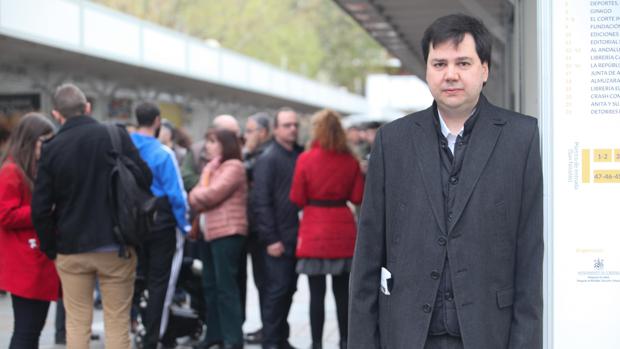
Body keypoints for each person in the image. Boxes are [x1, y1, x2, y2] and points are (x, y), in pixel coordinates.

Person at [348, 14, 543, 349]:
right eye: (439, 63)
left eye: (463, 62)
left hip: (488, 333)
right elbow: (367, 255)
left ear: (484, 70)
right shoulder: (392, 141)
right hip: (407, 334)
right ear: (426, 70)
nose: (450, 74)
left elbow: (529, 257)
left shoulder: (521, 137)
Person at [32, 83, 151, 349]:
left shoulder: (52, 149)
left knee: (76, 322)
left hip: (71, 248)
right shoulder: (115, 135)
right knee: (118, 321)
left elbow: (40, 208)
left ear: (56, 114)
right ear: (87, 107)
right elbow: (145, 179)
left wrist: (51, 249)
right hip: (116, 245)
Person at [289, 109, 364, 349]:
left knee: (316, 294)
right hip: (342, 231)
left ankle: (316, 343)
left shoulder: (306, 159)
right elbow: (357, 196)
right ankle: (344, 341)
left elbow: (297, 197)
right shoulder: (350, 160)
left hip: (314, 229)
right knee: (343, 294)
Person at [130, 102, 190, 349]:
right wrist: (185, 226)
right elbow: (177, 195)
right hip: (161, 225)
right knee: (160, 285)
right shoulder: (163, 153)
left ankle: (130, 328)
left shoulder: (125, 150)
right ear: (157, 121)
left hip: (130, 225)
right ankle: (152, 339)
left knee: (132, 280)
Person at [0, 113, 60, 349]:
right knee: (26, 332)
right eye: (44, 141)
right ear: (29, 140)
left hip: (33, 261)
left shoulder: (28, 170)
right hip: (24, 264)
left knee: (31, 331)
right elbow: (4, 215)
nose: (47, 147)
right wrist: (43, 210)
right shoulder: (11, 171)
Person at [189, 128, 248, 349]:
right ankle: (214, 334)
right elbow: (199, 194)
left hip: (227, 233)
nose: (208, 146)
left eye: (213, 142)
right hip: (208, 233)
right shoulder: (211, 168)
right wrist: (197, 195)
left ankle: (233, 339)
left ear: (225, 144)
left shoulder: (234, 167)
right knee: (210, 286)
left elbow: (210, 194)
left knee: (226, 288)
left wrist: (196, 195)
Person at [251, 107, 303, 349]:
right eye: (287, 125)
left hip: (295, 237)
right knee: (275, 292)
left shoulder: (298, 155)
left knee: (288, 290)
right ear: (275, 129)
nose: (292, 129)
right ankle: (271, 342)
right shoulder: (268, 158)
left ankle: (281, 339)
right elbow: (260, 202)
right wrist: (271, 238)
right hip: (276, 240)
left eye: (295, 125)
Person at [242, 112, 273, 345]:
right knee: (262, 282)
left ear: (263, 132)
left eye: (250, 131)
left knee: (268, 283)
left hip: (265, 231)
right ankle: (267, 328)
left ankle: (270, 330)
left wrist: (245, 152)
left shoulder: (265, 155)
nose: (246, 136)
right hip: (256, 229)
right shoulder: (258, 153)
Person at [182, 115, 241, 192]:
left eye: (237, 133)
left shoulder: (238, 154)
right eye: (231, 133)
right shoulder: (197, 151)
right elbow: (186, 177)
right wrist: (207, 183)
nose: (235, 137)